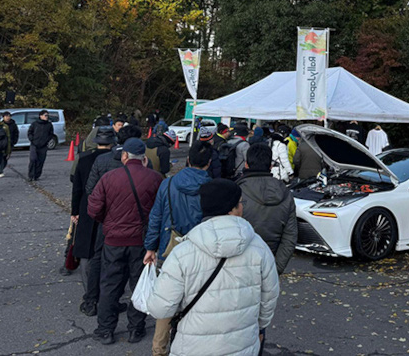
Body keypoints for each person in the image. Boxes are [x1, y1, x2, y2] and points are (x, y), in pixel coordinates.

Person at [146, 178, 280, 356]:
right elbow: (269, 297)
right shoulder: (259, 248)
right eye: (241, 203)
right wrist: (258, 326)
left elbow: (159, 308)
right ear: (232, 209)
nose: (242, 207)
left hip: (192, 348)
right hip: (243, 346)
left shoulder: (182, 253)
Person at [87, 138, 163, 345]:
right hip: (142, 241)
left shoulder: (109, 178)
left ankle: (105, 329)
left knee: (109, 285)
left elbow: (93, 208)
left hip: (113, 240)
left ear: (124, 156)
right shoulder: (155, 179)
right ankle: (136, 328)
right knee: (139, 283)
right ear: (144, 158)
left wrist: (108, 222)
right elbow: (161, 211)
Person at [144, 141, 212, 356]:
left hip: (169, 247)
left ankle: (159, 349)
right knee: (197, 301)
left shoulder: (168, 184)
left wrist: (150, 247)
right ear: (209, 163)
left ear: (188, 160)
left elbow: (155, 217)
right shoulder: (213, 188)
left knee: (167, 301)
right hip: (201, 251)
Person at [71, 126, 116, 315]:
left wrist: (74, 211)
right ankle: (105, 294)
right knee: (106, 252)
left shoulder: (83, 159)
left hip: (87, 207)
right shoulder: (116, 160)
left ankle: (89, 294)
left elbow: (77, 188)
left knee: (86, 252)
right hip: (110, 210)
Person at [237, 143, 297, 275]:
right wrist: (276, 268)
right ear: (270, 166)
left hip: (238, 266)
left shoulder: (237, 192)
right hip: (270, 262)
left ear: (246, 164)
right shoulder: (285, 192)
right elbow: (290, 236)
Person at [86, 124, 143, 196]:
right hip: (134, 200)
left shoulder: (101, 159)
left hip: (107, 199)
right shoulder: (143, 160)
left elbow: (90, 188)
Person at [27, 109, 54, 182]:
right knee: (33, 159)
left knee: (41, 161)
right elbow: (29, 132)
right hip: (34, 144)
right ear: (40, 116)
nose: (46, 117)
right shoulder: (35, 124)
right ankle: (31, 175)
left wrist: (46, 140)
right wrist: (32, 139)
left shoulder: (49, 125)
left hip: (43, 145)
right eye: (45, 115)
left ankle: (37, 175)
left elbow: (51, 134)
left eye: (47, 115)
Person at [0, 111, 19, 178]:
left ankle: (1, 168)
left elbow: (16, 133)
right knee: (1, 157)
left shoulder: (13, 124)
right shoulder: (1, 124)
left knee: (6, 157)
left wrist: (14, 141)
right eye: (6, 116)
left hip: (10, 143)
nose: (8, 118)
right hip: (2, 143)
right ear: (3, 117)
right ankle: (0, 171)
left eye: (9, 116)